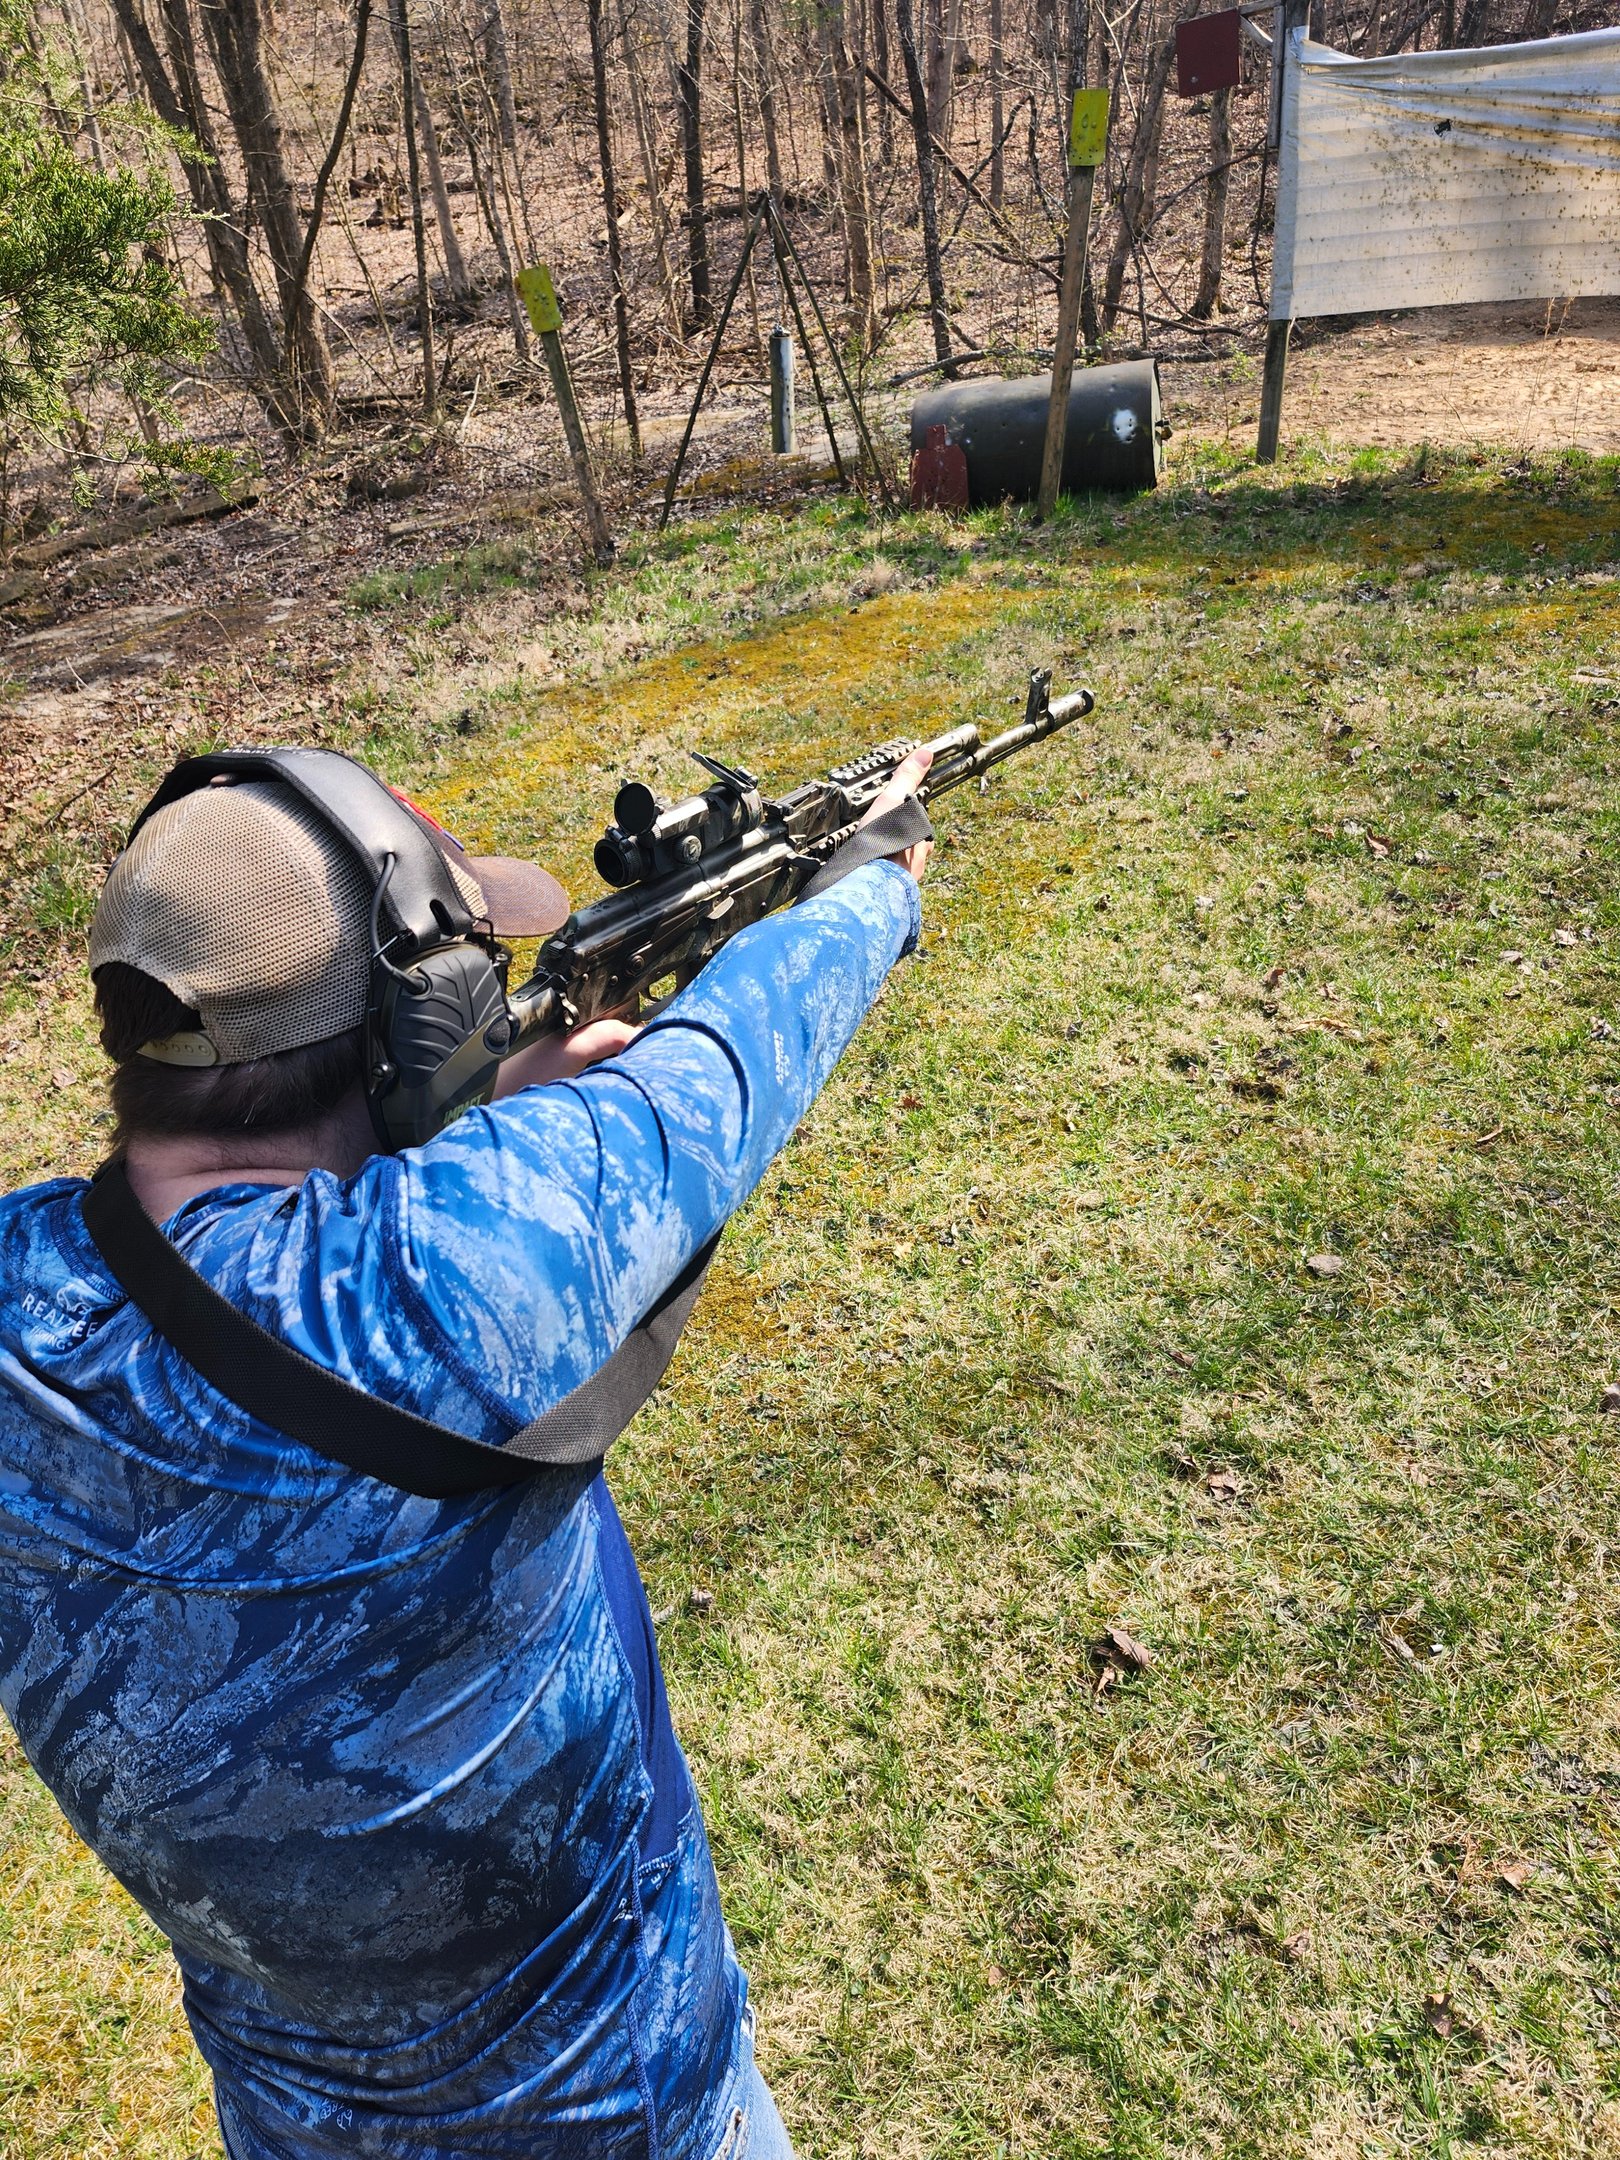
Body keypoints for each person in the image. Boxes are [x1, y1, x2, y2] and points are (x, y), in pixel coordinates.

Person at [0, 742, 931, 2160]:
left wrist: (470, 1124)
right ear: (404, 1032)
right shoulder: (452, 1268)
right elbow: (728, 1057)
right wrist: (875, 884)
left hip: (301, 2126)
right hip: (638, 2112)